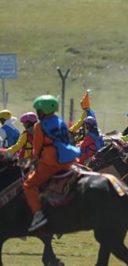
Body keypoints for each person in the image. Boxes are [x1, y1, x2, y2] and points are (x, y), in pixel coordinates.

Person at [25, 96, 81, 231]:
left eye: (38, 110)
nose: (37, 113)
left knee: (29, 184)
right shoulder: (61, 122)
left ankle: (38, 214)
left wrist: (34, 160)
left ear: (43, 111)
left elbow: (37, 149)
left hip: (52, 162)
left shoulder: (40, 126)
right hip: (69, 160)